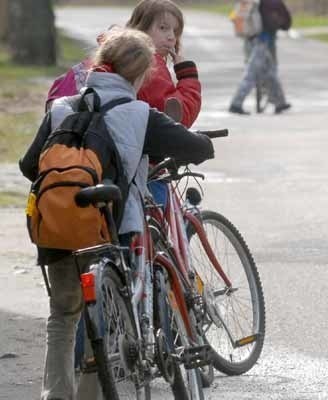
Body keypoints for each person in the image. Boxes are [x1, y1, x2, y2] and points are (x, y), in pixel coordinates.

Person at [19, 28, 214, 400]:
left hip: (57, 225)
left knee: (63, 316)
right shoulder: (139, 113)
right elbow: (190, 146)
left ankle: (56, 395)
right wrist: (205, 144)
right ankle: (93, 394)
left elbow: (31, 166)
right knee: (104, 322)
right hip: (111, 228)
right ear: (140, 75)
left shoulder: (61, 108)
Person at [46, 0, 201, 129]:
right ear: (141, 29)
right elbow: (180, 120)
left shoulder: (106, 56)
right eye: (163, 28)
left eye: (176, 31)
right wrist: (186, 74)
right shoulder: (148, 64)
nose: (171, 37)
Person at [229, 0, 291, 115]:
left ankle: (280, 103)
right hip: (261, 41)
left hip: (251, 40)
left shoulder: (253, 2)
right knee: (251, 73)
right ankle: (236, 104)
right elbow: (283, 22)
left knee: (270, 72)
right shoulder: (270, 3)